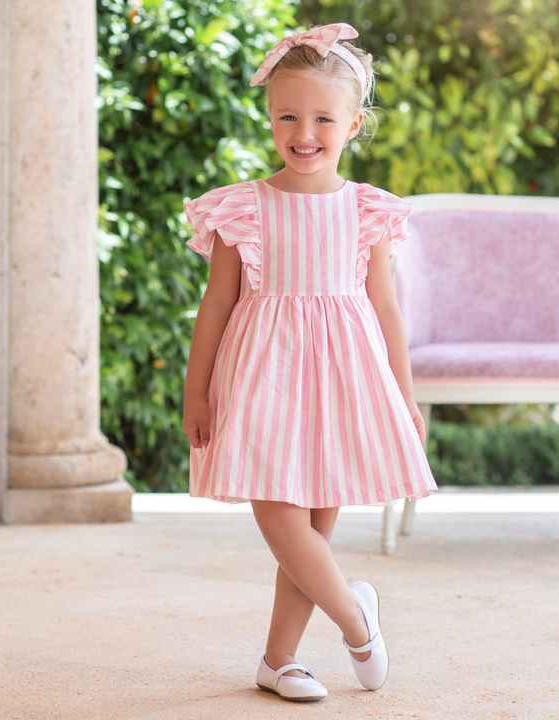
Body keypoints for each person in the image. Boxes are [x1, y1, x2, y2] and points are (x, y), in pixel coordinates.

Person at [182, 22, 438, 702]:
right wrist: (197, 393)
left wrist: (404, 397)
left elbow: (386, 311)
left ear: (353, 124)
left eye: (323, 118)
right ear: (269, 117)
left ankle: (279, 660)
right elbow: (215, 307)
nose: (304, 131)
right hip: (262, 376)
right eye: (287, 116)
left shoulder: (365, 211)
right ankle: (358, 621)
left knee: (315, 530)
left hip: (341, 378)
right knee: (279, 515)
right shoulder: (243, 208)